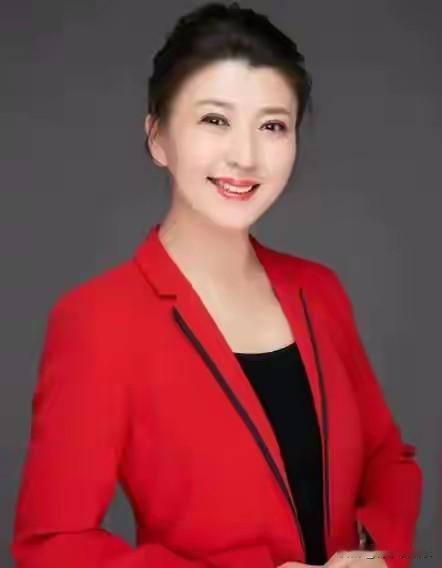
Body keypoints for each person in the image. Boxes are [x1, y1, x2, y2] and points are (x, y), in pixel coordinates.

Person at [11, 2, 422, 568]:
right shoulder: (98, 319)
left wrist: (374, 553)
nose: (245, 157)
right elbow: (53, 544)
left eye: (272, 125)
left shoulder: (319, 290)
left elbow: (388, 460)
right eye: (214, 120)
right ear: (158, 137)